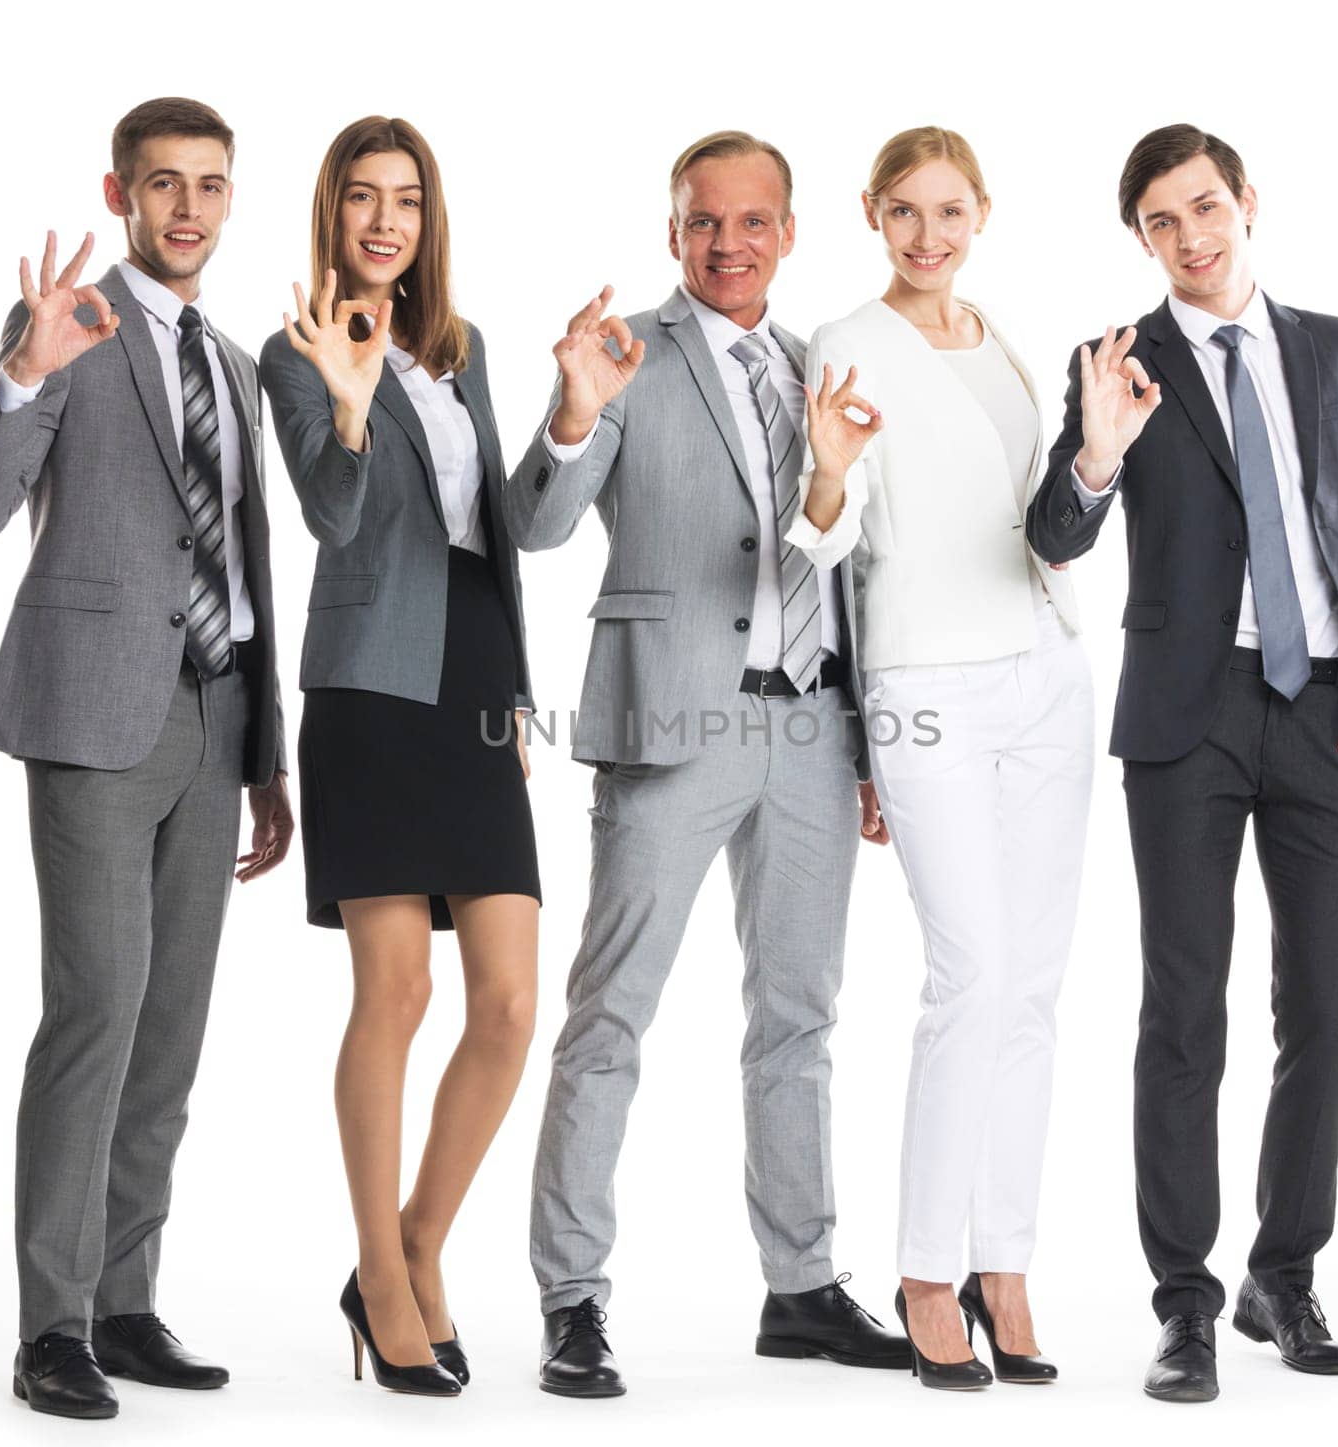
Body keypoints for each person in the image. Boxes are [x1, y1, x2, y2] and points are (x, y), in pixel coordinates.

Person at [1026, 123, 1338, 1403]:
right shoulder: (1116, 362)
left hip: (1331, 719)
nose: (1191, 237)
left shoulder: (1336, 351)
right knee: (1184, 1012)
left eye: (1205, 207)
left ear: (1245, 202)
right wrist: (1097, 448)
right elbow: (1052, 531)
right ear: (1140, 240)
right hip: (1187, 717)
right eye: (1162, 223)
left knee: (1324, 1009)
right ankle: (1185, 1302)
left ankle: (1285, 1270)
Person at [504, 129, 909, 1398]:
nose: (726, 245)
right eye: (701, 223)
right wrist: (575, 406)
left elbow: (842, 559)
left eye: (750, 223)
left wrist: (866, 748)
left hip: (810, 729)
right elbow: (534, 523)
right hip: (671, 720)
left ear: (789, 233)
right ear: (670, 232)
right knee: (611, 1016)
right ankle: (571, 1298)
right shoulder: (623, 351)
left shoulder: (814, 366)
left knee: (799, 1018)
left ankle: (800, 1286)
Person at [0, 97, 294, 1420]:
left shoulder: (242, 363)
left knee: (170, 1028)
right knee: (96, 1007)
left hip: (214, 719)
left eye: (209, 185)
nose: (188, 208)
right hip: (93, 718)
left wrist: (267, 755)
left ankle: (127, 1299)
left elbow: (248, 567)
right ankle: (52, 1325)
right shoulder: (69, 332)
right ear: (119, 193)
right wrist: (23, 376)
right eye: (163, 185)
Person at [795, 126, 1090, 1391]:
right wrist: (822, 476)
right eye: (906, 212)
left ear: (984, 213)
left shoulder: (1002, 336)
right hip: (926, 683)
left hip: (1045, 672)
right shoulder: (848, 343)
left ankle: (1003, 1259)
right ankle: (925, 1266)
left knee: (1030, 985)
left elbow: (1043, 520)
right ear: (872, 213)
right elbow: (829, 547)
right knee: (968, 972)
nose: (930, 235)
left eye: (951, 211)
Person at [259, 116, 539, 1398]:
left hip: (477, 679)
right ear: (333, 213)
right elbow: (332, 513)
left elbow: (504, 529)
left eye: (407, 201)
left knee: (509, 1003)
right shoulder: (297, 347)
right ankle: (380, 1270)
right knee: (399, 995)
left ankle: (424, 1232)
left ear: (430, 222)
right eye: (363, 199)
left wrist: (577, 418)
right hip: (372, 687)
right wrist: (353, 404)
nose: (385, 221)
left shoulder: (464, 351)